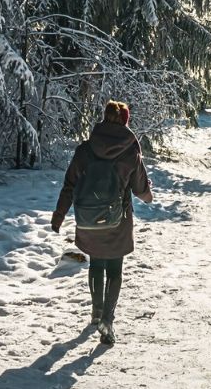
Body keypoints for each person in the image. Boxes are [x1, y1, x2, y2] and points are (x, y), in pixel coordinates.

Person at [51, 100, 153, 346]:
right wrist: (148, 195)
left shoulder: (85, 149)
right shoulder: (130, 151)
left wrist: (59, 215)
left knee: (96, 263)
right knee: (115, 270)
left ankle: (96, 313)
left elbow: (70, 183)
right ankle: (107, 320)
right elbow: (141, 189)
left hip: (88, 220)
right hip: (118, 220)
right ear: (125, 121)